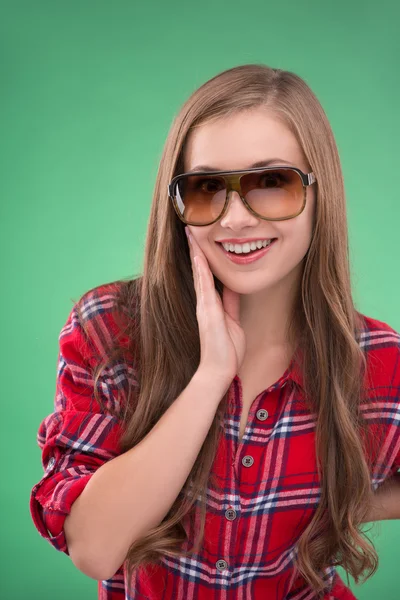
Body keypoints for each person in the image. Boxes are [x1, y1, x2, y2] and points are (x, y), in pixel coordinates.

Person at [30, 64, 400, 600]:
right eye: (206, 187)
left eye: (272, 182)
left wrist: (335, 497)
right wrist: (210, 378)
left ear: (322, 192)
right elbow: (94, 547)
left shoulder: (377, 360)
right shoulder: (111, 329)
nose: (235, 218)